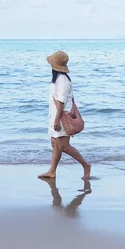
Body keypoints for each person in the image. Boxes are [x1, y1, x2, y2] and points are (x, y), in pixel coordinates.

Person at [38, 51, 91, 180]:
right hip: (55, 115)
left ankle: (86, 164)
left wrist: (57, 120)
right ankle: (52, 171)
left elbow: (61, 101)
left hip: (61, 116)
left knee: (64, 146)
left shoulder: (62, 80)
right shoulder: (58, 78)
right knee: (55, 143)